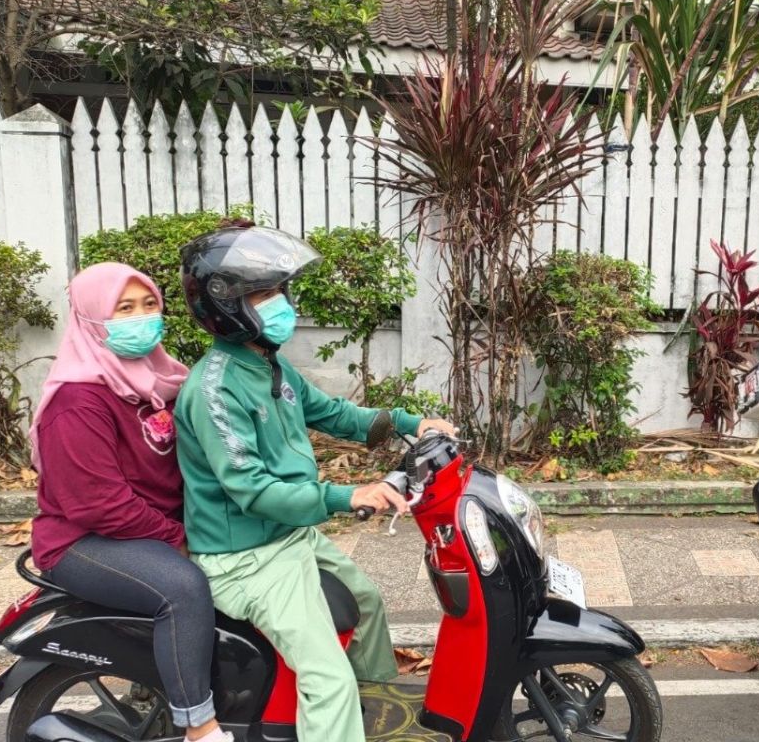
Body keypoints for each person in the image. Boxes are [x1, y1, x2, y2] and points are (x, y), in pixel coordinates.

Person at [173, 221, 456, 742]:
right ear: (228, 307)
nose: (280, 303)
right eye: (263, 294)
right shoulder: (213, 390)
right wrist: (348, 496)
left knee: (366, 601)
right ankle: (338, 719)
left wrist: (411, 423)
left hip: (288, 536)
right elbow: (252, 491)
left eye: (280, 290)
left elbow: (334, 414)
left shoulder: (267, 365)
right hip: (246, 559)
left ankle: (374, 716)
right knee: (327, 680)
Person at [30, 263, 230, 742]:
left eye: (148, 305)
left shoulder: (154, 380)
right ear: (92, 320)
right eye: (124, 309)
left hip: (145, 527)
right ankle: (199, 726)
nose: (141, 318)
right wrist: (176, 538)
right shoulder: (78, 402)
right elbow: (99, 505)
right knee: (181, 589)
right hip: (83, 539)